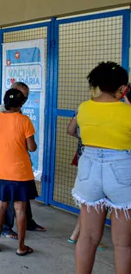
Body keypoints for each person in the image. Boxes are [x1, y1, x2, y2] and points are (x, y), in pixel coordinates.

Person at [72, 61, 131, 274]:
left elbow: (74, 130)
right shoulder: (127, 111)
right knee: (123, 243)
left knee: (87, 238)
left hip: (89, 169)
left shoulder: (84, 108)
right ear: (123, 87)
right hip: (122, 170)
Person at [0, 82, 45, 237]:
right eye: (23, 97)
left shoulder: (9, 116)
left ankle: (27, 224)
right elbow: (31, 146)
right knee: (7, 202)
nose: (24, 100)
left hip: (14, 167)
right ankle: (7, 229)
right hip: (9, 165)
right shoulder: (1, 115)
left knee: (17, 200)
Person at [66, 110, 106, 251]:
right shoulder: (116, 110)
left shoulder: (84, 108)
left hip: (85, 157)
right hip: (102, 162)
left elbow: (70, 130)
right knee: (97, 203)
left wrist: (84, 139)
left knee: (88, 202)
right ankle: (90, 237)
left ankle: (76, 235)